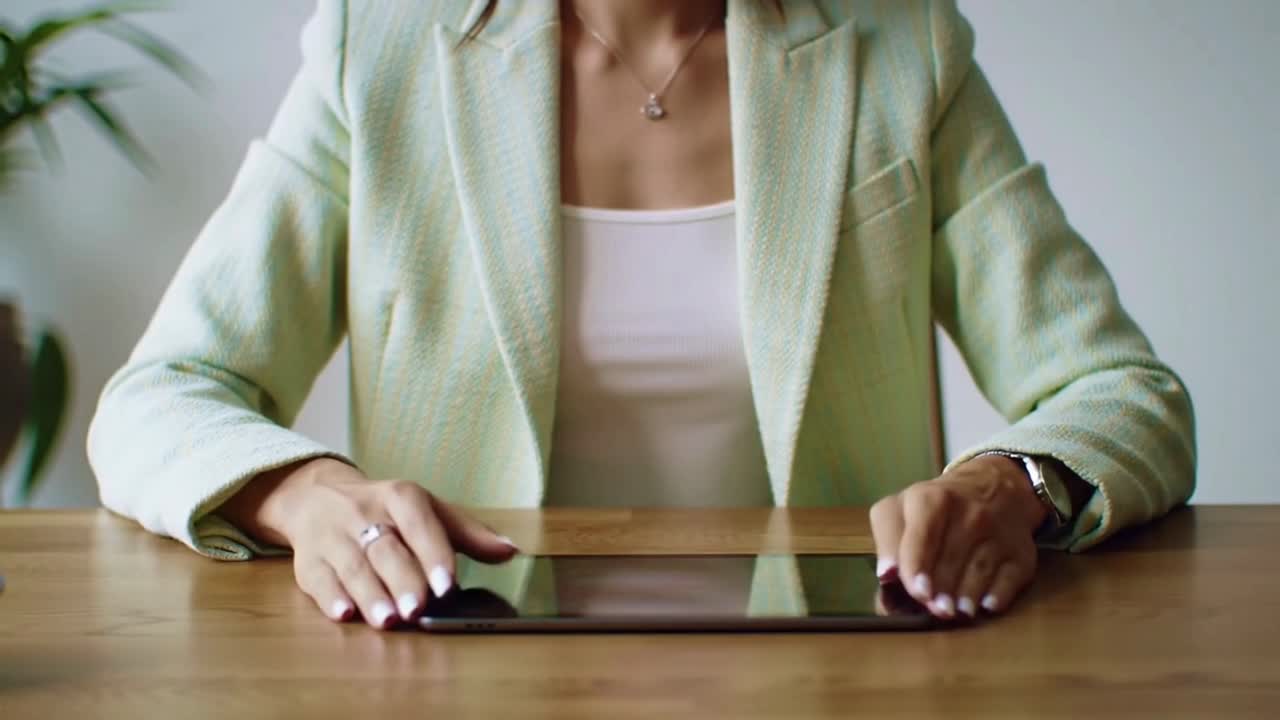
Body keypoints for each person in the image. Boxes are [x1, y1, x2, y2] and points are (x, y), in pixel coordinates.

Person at [88, 0, 1195, 630]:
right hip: (461, 675)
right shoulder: (377, 51)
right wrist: (306, 493)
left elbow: (1124, 395)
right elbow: (160, 397)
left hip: (841, 674)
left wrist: (1006, 484)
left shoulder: (899, 48)